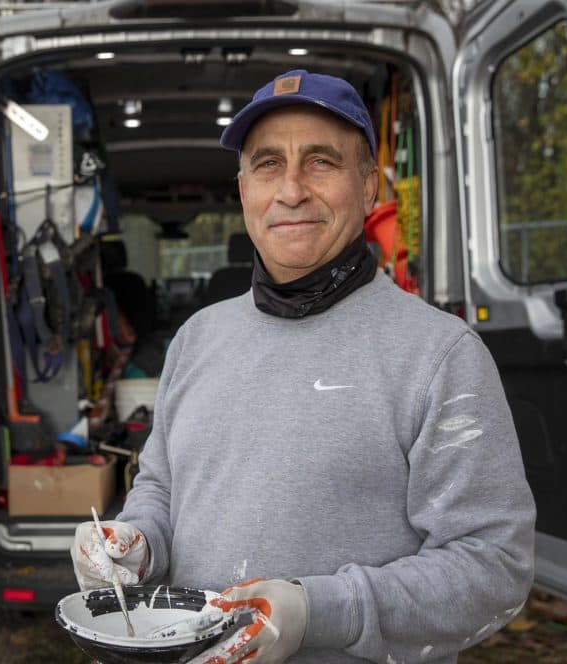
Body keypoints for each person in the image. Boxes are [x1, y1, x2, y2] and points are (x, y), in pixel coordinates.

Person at [71, 70, 536, 663]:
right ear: (244, 191)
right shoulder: (197, 339)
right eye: (268, 165)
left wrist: (319, 612)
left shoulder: (438, 354)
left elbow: (492, 565)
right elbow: (162, 488)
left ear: (368, 187)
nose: (291, 190)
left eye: (320, 162)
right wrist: (136, 541)